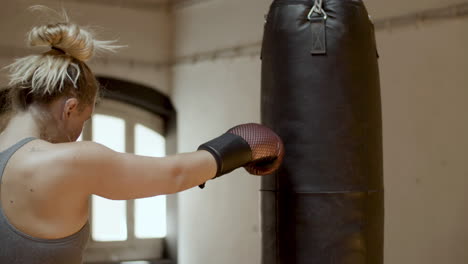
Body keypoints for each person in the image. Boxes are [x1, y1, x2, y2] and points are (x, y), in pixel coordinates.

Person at [0, 6, 284, 264]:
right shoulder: (68, 160)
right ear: (70, 108)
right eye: (84, 120)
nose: (78, 134)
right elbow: (175, 174)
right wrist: (247, 140)